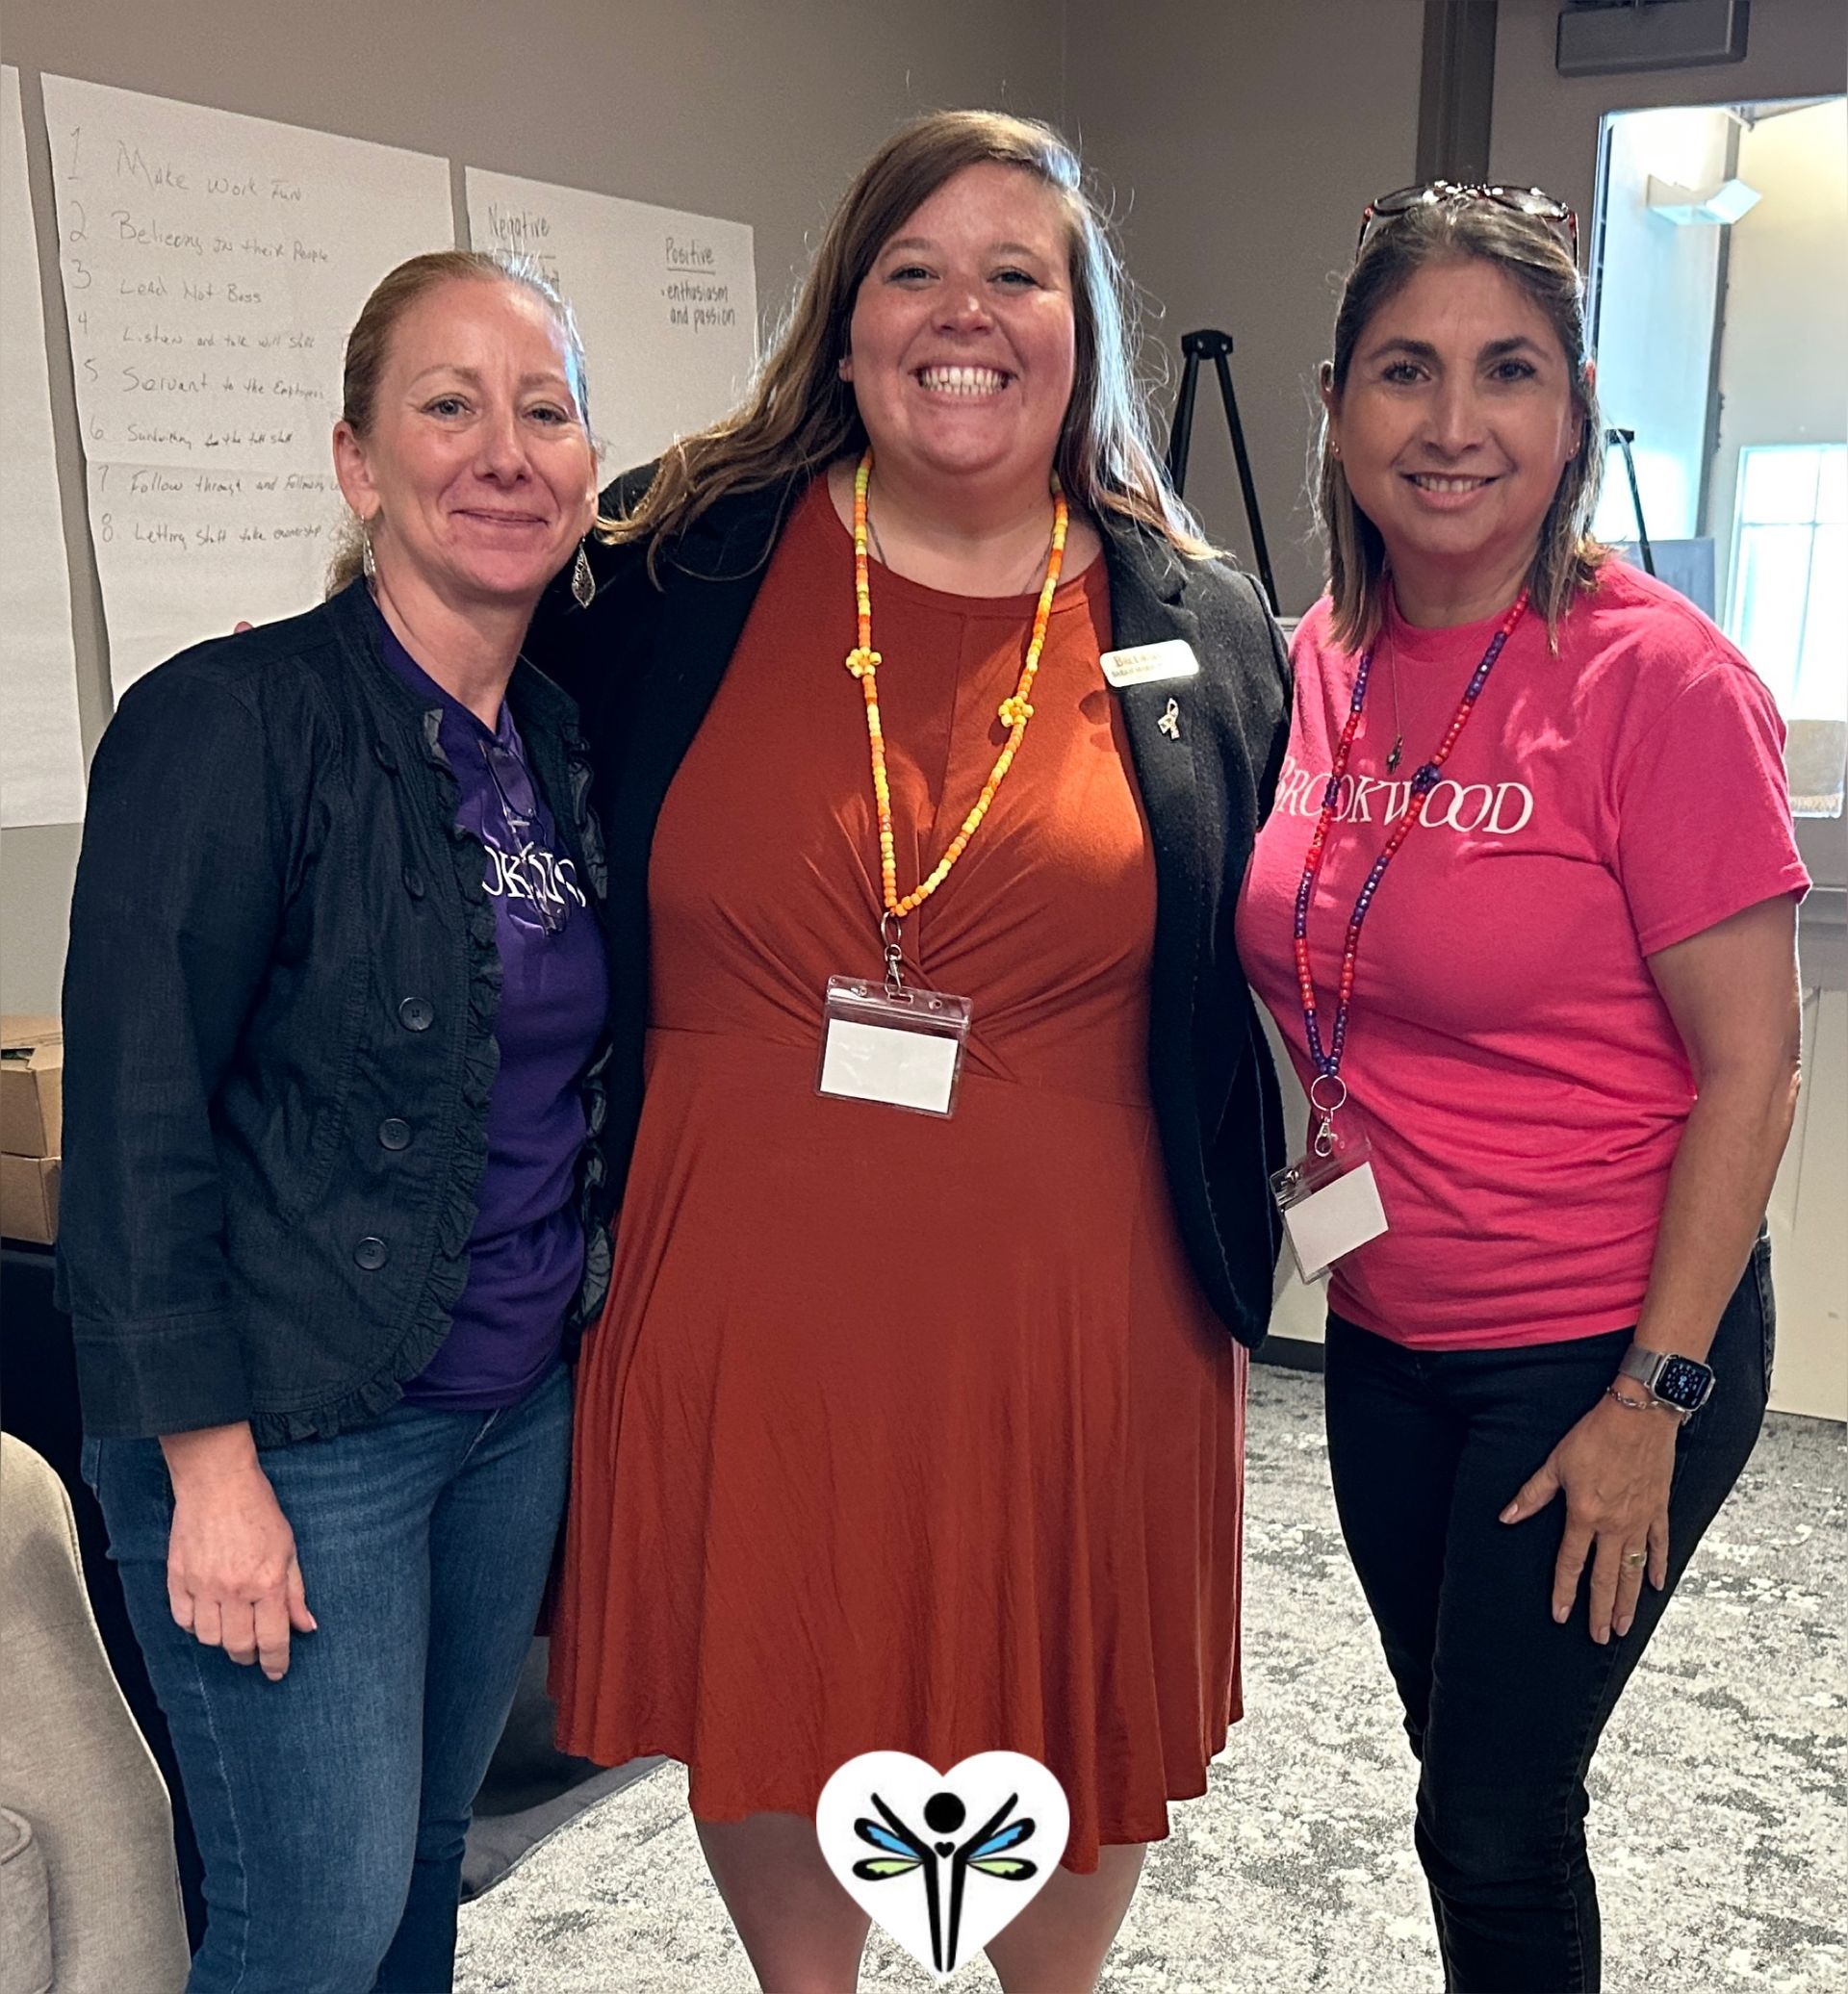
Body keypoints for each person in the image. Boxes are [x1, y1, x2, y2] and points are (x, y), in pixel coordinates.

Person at [527, 111, 1290, 1992]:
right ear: (845, 319)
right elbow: (485, 770)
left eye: (1016, 273)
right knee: (771, 1672)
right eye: (914, 270)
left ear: (1082, 327)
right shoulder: (668, 564)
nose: (966, 315)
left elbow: (1250, 940)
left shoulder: (1195, 623)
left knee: (1062, 1699)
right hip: (739, 1274)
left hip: (1078, 1302)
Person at [1237, 183, 1810, 1992]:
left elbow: (1755, 1068)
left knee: (1491, 1819)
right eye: (1407, 370)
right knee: (1461, 1778)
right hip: (1390, 1335)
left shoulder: (1661, 681)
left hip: (1601, 1346)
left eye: (1509, 372)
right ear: (1337, 404)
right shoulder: (1318, 657)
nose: (1455, 423)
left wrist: (1654, 1395)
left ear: (1573, 413)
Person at [58, 248, 613, 1993]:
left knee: (426, 1874)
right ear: (358, 463)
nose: (502, 450)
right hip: (297, 1441)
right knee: (309, 1923)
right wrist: (207, 1474)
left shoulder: (565, 745)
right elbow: (136, 1122)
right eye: (447, 407)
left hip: (506, 1414)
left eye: (544, 410)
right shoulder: (228, 725)